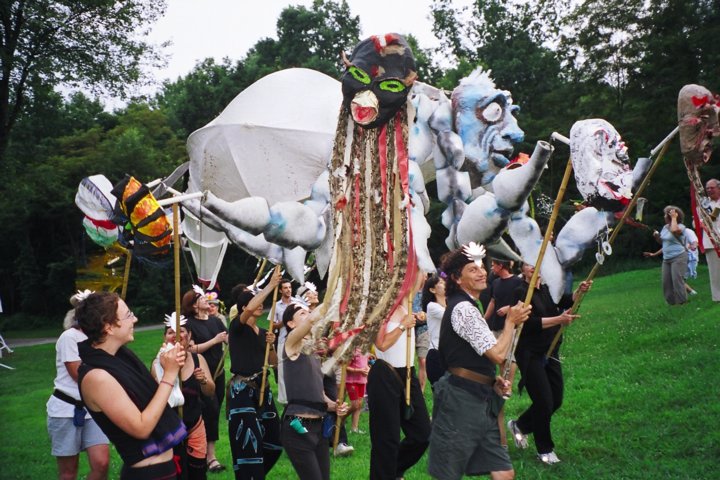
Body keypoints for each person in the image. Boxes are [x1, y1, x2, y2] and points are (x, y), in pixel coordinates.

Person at [428, 244, 530, 480]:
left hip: (481, 396)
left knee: (504, 471)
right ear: (457, 278)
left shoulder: (470, 305)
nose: (482, 272)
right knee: (448, 473)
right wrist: (510, 322)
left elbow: (480, 354)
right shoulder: (463, 308)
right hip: (461, 400)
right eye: (473, 269)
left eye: (482, 267)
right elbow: (497, 355)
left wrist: (490, 379)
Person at [76, 292, 187, 479]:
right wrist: (169, 374)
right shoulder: (96, 377)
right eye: (128, 315)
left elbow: (150, 403)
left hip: (163, 469)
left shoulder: (120, 357)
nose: (135, 319)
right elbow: (141, 427)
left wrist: (164, 368)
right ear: (109, 327)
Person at [507, 262, 591, 465]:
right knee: (543, 402)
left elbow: (565, 301)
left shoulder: (547, 289)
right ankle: (545, 450)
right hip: (530, 353)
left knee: (556, 400)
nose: (533, 267)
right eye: (528, 264)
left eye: (536, 263)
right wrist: (559, 320)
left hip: (550, 349)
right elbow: (527, 324)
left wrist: (578, 292)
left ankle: (520, 426)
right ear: (522, 269)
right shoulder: (520, 292)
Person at [368, 272, 431, 480]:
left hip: (408, 374)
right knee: (387, 439)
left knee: (422, 434)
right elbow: (381, 344)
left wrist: (419, 264)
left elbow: (418, 277)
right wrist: (403, 325)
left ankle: (393, 470)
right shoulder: (381, 308)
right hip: (385, 373)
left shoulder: (407, 303)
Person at [281, 302, 349, 480]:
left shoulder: (314, 352)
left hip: (319, 427)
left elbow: (319, 393)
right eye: (302, 313)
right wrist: (333, 298)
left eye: (308, 311)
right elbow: (312, 320)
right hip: (297, 427)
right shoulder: (291, 344)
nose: (308, 314)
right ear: (291, 324)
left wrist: (334, 406)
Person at [47, 291, 109, 480]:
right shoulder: (69, 337)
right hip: (66, 410)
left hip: (94, 409)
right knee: (69, 472)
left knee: (102, 464)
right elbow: (78, 375)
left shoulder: (101, 338)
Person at [227, 270, 283, 479]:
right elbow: (251, 306)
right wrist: (270, 286)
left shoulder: (263, 333)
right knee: (248, 446)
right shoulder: (237, 328)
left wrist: (271, 346)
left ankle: (255, 475)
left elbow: (273, 363)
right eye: (255, 302)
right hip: (242, 391)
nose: (260, 305)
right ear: (243, 308)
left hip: (263, 390)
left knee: (274, 443)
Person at [152, 315, 215, 480]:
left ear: (190, 335)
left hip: (195, 427)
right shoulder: (157, 364)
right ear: (164, 338)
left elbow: (210, 392)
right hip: (170, 430)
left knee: (197, 473)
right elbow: (155, 400)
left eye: (180, 331)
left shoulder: (198, 359)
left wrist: (203, 381)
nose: (175, 335)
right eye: (170, 332)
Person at [182, 287, 228, 472]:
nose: (207, 300)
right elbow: (190, 349)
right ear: (194, 305)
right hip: (199, 375)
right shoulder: (189, 324)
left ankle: (208, 454)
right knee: (206, 410)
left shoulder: (215, 321)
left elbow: (227, 338)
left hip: (218, 374)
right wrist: (214, 341)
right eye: (202, 298)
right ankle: (208, 457)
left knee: (213, 412)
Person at [646, 206, 689, 305]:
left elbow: (674, 230)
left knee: (677, 280)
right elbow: (664, 242)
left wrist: (674, 218)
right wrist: (657, 237)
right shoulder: (665, 227)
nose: (664, 216)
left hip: (678, 256)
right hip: (667, 259)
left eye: (666, 214)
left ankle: (682, 303)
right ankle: (671, 303)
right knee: (666, 282)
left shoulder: (681, 227)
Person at [420, 274, 446, 387]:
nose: (445, 284)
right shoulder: (432, 306)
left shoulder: (450, 304)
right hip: (436, 353)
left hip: (448, 354)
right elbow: (451, 316)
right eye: (441, 283)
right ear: (432, 290)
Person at [274, 279, 293, 404]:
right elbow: (272, 325)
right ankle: (284, 398)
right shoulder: (276, 306)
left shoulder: (297, 303)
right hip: (283, 339)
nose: (288, 290)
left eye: (289, 287)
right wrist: (284, 321)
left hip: (297, 340)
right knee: (282, 369)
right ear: (280, 290)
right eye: (285, 288)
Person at [700, 178, 720, 301]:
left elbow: (714, 217)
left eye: (712, 188)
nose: (709, 190)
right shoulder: (704, 203)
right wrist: (701, 223)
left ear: (719, 188)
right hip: (711, 242)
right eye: (707, 188)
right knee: (715, 272)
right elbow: (697, 222)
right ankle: (718, 297)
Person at [344, 347, 370, 434]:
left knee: (359, 405)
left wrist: (368, 369)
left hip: (362, 381)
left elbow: (365, 364)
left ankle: (354, 428)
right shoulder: (353, 350)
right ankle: (340, 419)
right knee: (355, 405)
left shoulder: (366, 350)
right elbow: (345, 367)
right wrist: (359, 370)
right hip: (352, 381)